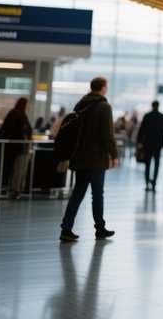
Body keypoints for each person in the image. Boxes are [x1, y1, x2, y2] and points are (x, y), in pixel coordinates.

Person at [59, 77, 119, 242]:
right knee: (97, 194)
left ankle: (66, 228)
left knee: (78, 192)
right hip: (96, 158)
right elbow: (107, 134)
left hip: (79, 156)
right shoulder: (104, 106)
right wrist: (114, 155)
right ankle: (100, 228)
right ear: (103, 88)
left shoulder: (81, 104)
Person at [0, 97, 33, 199]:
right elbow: (18, 130)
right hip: (19, 148)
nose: (28, 106)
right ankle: (16, 189)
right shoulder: (17, 114)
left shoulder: (18, 114)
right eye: (27, 104)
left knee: (20, 169)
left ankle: (17, 188)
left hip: (21, 148)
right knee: (19, 169)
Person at [137, 100, 163, 192]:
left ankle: (147, 184)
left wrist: (139, 141)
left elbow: (141, 129)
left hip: (148, 143)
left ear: (152, 106)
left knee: (147, 164)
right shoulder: (162, 117)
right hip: (158, 144)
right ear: (158, 106)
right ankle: (154, 184)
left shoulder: (147, 116)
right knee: (156, 164)